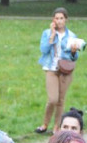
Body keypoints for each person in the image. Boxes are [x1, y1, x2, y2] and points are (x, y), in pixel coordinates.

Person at [36, 7, 84, 135]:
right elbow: (44, 50)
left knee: (61, 100)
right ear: (53, 20)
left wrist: (73, 52)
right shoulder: (47, 33)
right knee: (52, 99)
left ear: (66, 20)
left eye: (61, 18)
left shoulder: (72, 36)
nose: (59, 21)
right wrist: (52, 35)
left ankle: (57, 126)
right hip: (51, 68)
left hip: (66, 70)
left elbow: (75, 58)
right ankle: (45, 124)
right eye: (56, 18)